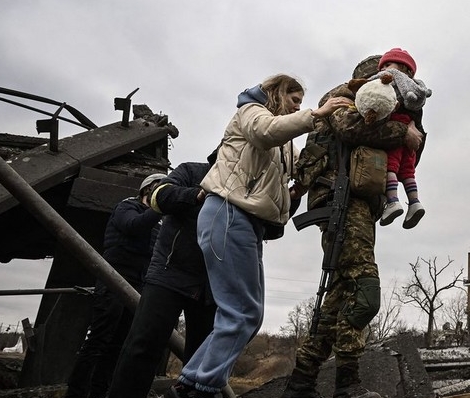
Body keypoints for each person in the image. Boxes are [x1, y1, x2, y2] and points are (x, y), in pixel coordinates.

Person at [166, 75, 351, 398]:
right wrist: (317, 114)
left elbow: (301, 165)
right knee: (240, 312)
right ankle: (199, 387)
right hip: (228, 212)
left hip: (249, 223)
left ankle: (192, 382)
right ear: (278, 94)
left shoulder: (285, 146)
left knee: (248, 315)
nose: (298, 106)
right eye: (294, 99)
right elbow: (265, 132)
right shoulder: (250, 112)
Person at [281, 56, 425, 398]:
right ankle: (348, 385)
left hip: (358, 206)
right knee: (364, 291)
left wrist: (410, 127)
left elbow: (411, 154)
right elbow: (350, 128)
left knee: (337, 299)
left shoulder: (390, 109)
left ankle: (300, 382)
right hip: (338, 200)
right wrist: (403, 131)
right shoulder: (342, 99)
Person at [107, 153, 218, 398]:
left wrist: (291, 199)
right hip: (169, 273)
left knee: (201, 358)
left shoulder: (246, 185)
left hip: (212, 284)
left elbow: (271, 229)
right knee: (142, 347)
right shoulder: (191, 171)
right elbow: (162, 196)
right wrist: (197, 193)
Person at [65, 173, 166, 398]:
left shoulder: (159, 223)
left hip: (139, 283)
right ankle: (76, 392)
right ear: (147, 189)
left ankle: (99, 392)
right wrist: (158, 209)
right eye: (160, 189)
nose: (163, 194)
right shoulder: (127, 207)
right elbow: (132, 227)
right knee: (100, 337)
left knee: (119, 343)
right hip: (115, 277)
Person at [373, 48, 432, 229]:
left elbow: (371, 91)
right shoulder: (417, 88)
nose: (382, 70)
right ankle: (414, 203)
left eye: (388, 64)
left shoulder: (389, 80)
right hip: (411, 140)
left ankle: (393, 201)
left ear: (402, 68)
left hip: (396, 135)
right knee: (407, 172)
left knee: (390, 167)